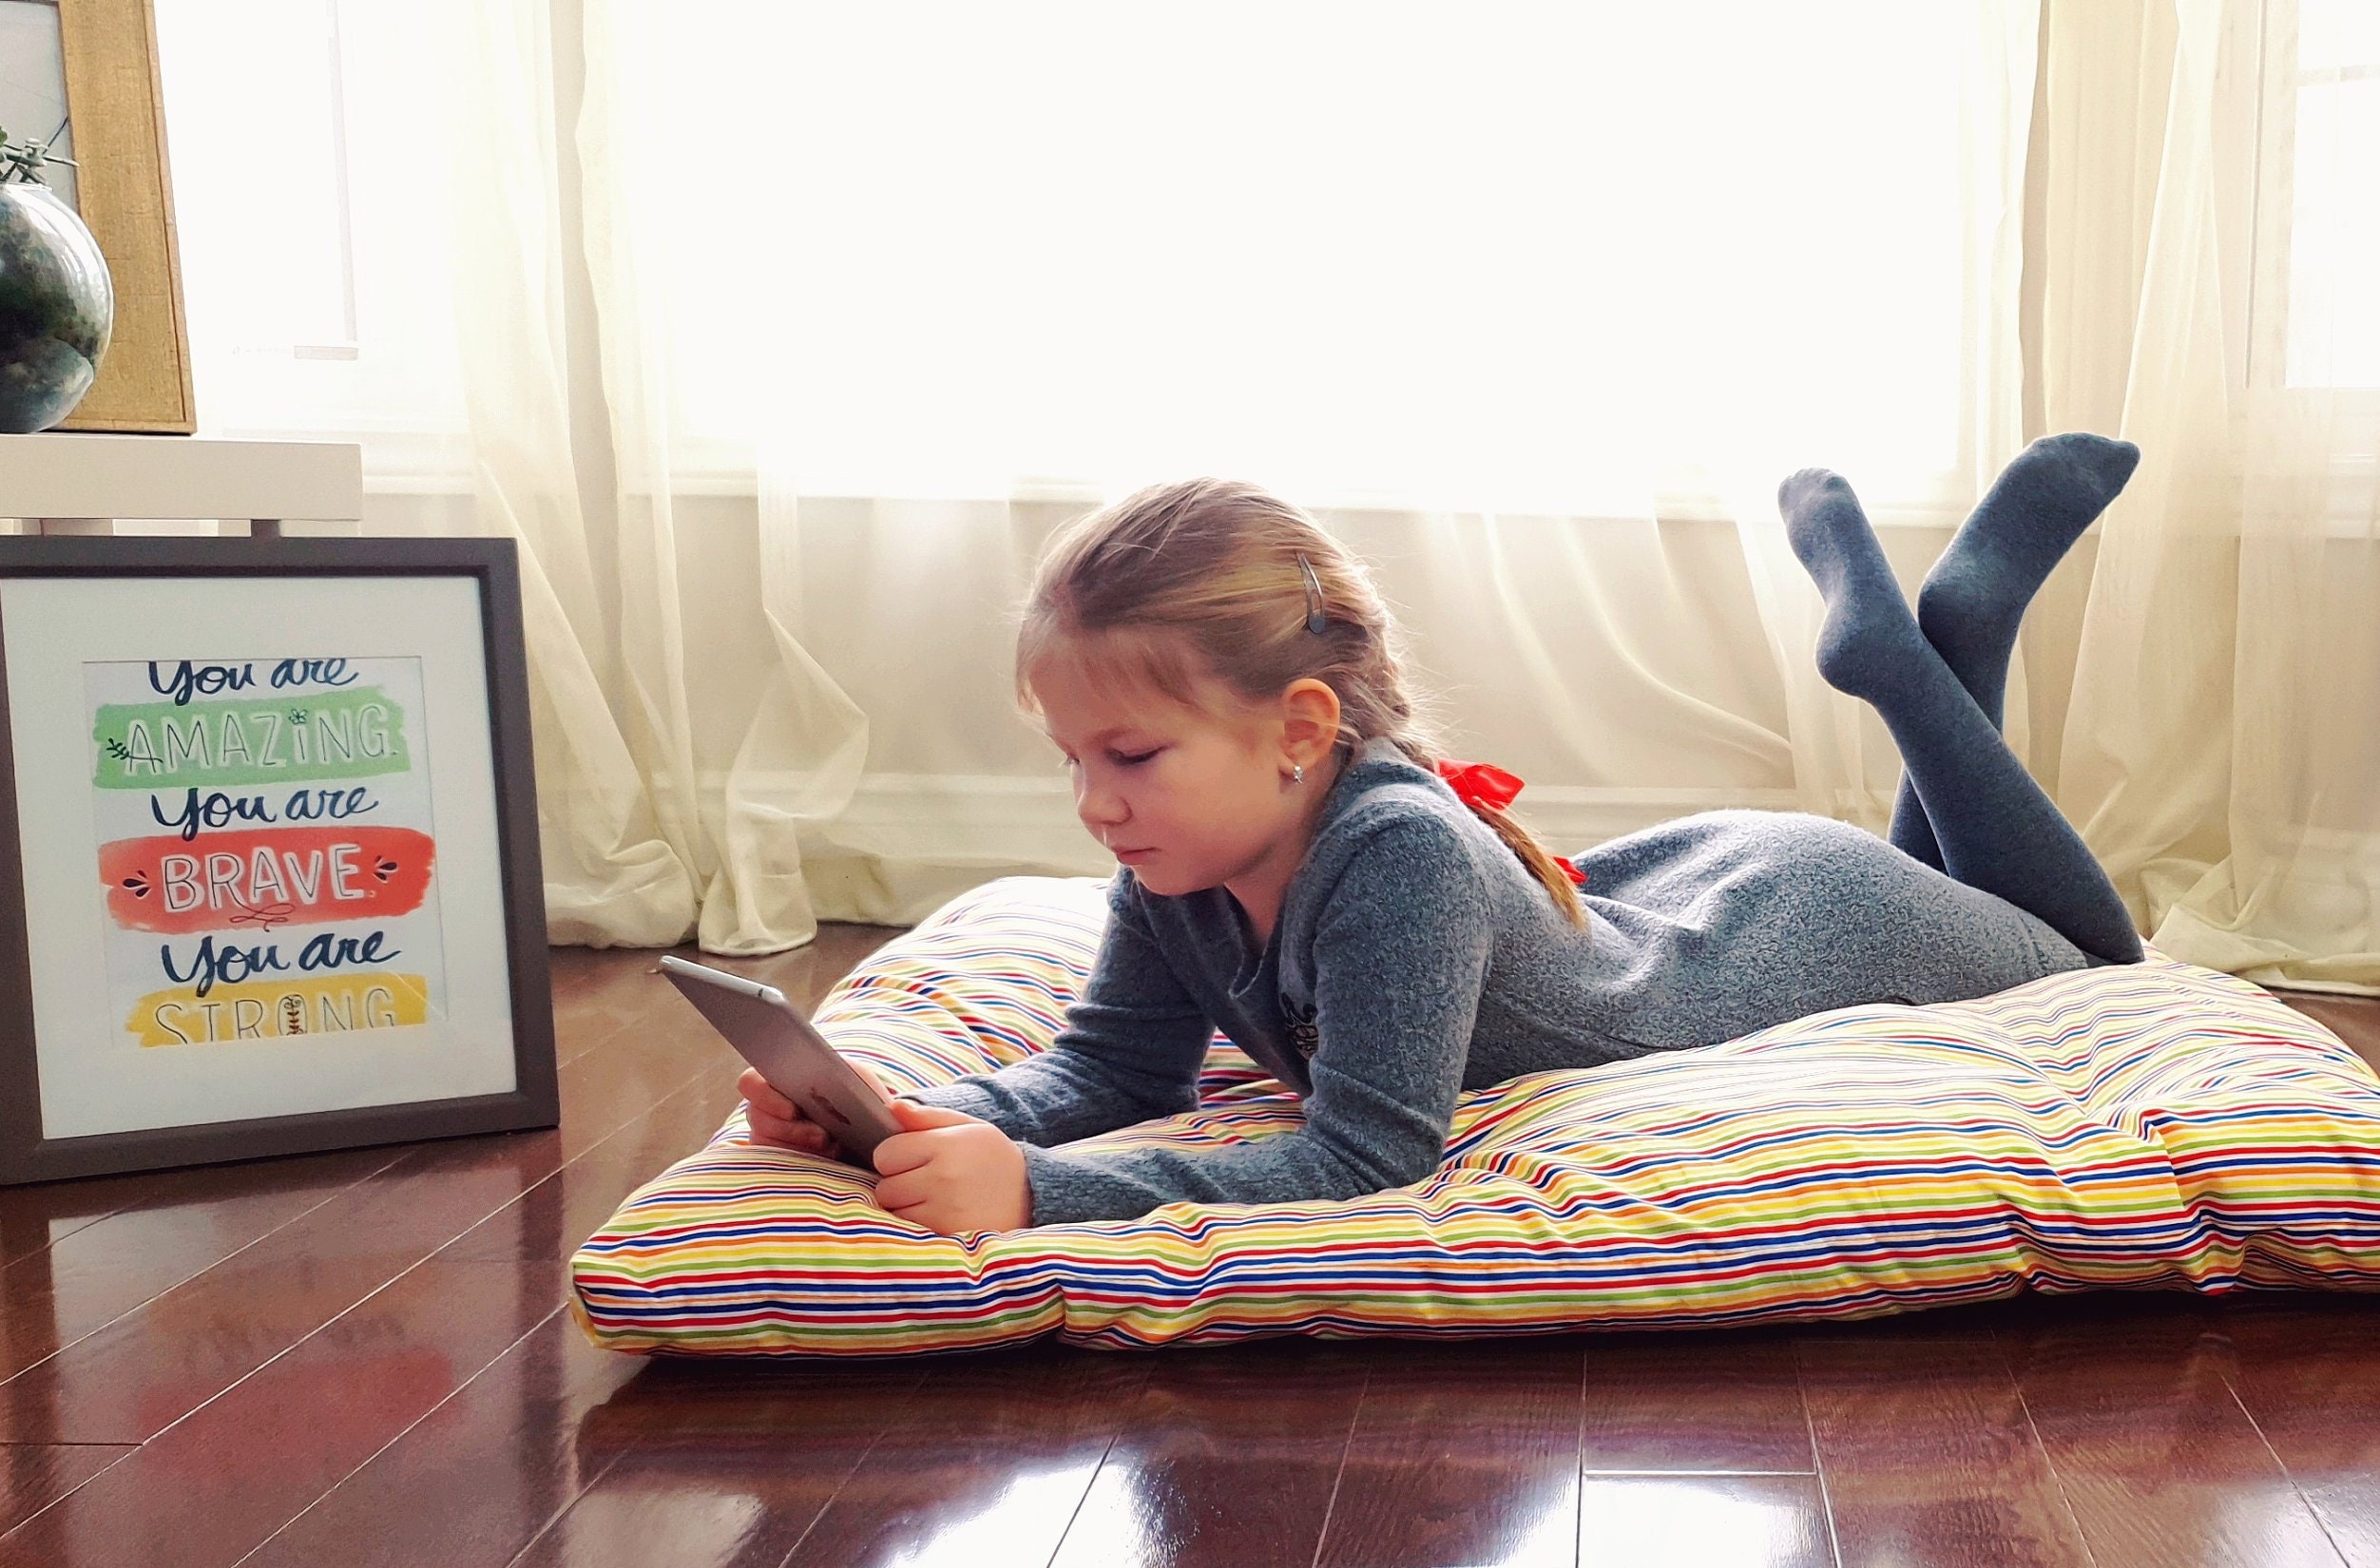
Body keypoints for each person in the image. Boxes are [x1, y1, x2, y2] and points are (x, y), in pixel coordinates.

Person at [739, 437, 2147, 1233]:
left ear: (1297, 728)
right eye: (1072, 763)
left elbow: (1367, 1159)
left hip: (1807, 930)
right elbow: (1109, 1065)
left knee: (2094, 956)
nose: (1095, 803)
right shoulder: (1177, 861)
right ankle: (1953, 630)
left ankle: (1905, 667)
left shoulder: (1391, 856)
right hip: (1695, 890)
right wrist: (911, 1124)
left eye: (1131, 756)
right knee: (1981, 883)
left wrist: (1041, 1194)